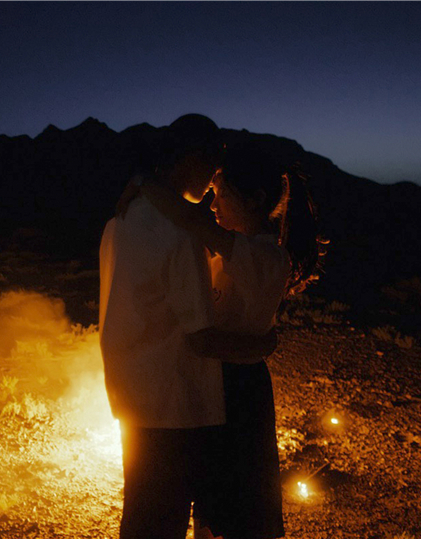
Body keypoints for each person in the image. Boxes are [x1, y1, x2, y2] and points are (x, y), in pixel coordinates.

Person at [123, 141, 324, 539]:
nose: (212, 205)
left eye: (222, 194)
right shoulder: (228, 253)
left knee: (237, 510)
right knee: (211, 507)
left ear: (255, 199)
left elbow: (189, 220)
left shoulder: (265, 257)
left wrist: (145, 184)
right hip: (217, 386)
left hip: (239, 394)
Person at [99, 115, 279, 539]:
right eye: (213, 169)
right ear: (193, 158)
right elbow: (200, 336)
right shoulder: (179, 234)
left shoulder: (117, 221)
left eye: (223, 186)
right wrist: (262, 346)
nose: (213, 189)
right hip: (173, 402)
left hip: (131, 392)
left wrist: (143, 183)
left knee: (145, 514)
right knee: (165, 519)